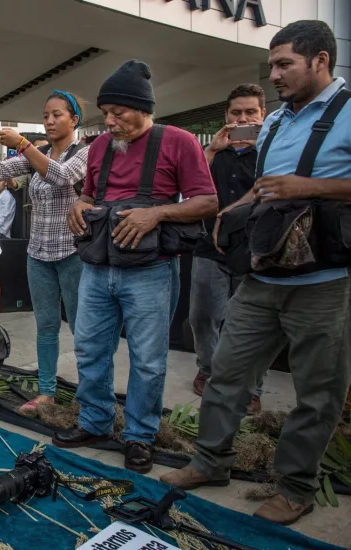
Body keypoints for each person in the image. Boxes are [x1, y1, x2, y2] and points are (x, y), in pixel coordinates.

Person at [161, 20, 351, 526]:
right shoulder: (276, 122)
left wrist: (307, 187)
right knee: (225, 372)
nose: (275, 75)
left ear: (321, 60)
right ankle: (210, 462)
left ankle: (295, 489)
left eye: (285, 64)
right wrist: (236, 207)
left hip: (324, 284)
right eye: (272, 65)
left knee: (317, 395)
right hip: (263, 276)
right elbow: (267, 185)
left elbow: (292, 187)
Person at [56, 60, 217, 474]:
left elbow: (207, 202)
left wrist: (157, 213)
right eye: (105, 113)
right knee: (89, 348)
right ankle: (95, 422)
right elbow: (90, 195)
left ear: (144, 108)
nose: (109, 122)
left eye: (118, 113)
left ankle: (140, 435)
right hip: (97, 267)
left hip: (151, 270)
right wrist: (78, 204)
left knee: (147, 359)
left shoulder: (179, 141)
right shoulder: (99, 147)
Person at [0, 90, 89, 412]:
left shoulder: (84, 153)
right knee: (46, 327)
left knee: (82, 328)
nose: (49, 121)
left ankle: (89, 395)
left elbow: (62, 176)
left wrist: (22, 144)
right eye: (45, 116)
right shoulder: (37, 153)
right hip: (38, 253)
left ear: (74, 120)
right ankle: (46, 392)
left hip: (72, 253)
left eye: (57, 115)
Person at [191, 84, 267, 414]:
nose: (243, 119)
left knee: (252, 324)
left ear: (262, 114)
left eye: (250, 112)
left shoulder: (273, 151)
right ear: (226, 115)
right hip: (209, 248)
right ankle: (209, 369)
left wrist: (264, 143)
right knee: (203, 318)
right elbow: (189, 189)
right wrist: (211, 150)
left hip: (256, 251)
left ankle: (250, 387)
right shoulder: (210, 153)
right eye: (236, 113)